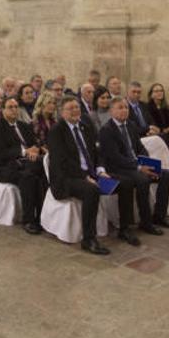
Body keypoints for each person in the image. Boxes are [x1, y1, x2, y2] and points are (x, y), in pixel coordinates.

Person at [47, 96, 114, 255]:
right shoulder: (56, 131)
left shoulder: (85, 126)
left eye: (77, 107)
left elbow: (97, 152)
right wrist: (85, 177)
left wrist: (100, 170)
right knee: (91, 190)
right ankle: (89, 239)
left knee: (119, 182)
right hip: (66, 178)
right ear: (62, 113)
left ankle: (124, 227)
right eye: (70, 108)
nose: (75, 111)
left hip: (89, 172)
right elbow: (62, 162)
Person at [99, 97, 169, 234]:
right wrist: (139, 167)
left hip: (137, 165)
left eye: (126, 108)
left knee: (166, 176)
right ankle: (145, 222)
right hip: (120, 168)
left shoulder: (131, 125)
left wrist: (147, 163)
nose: (124, 110)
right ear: (111, 111)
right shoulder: (106, 130)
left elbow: (140, 148)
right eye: (120, 108)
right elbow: (115, 157)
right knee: (143, 180)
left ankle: (159, 216)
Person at [0, 97, 47, 235]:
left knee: (43, 172)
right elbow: (0, 153)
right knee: (28, 177)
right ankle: (28, 220)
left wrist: (34, 149)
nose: (14, 110)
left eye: (16, 107)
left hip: (26, 163)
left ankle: (41, 215)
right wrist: (24, 152)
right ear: (3, 110)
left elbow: (35, 142)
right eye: (10, 107)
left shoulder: (23, 125)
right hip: (6, 167)